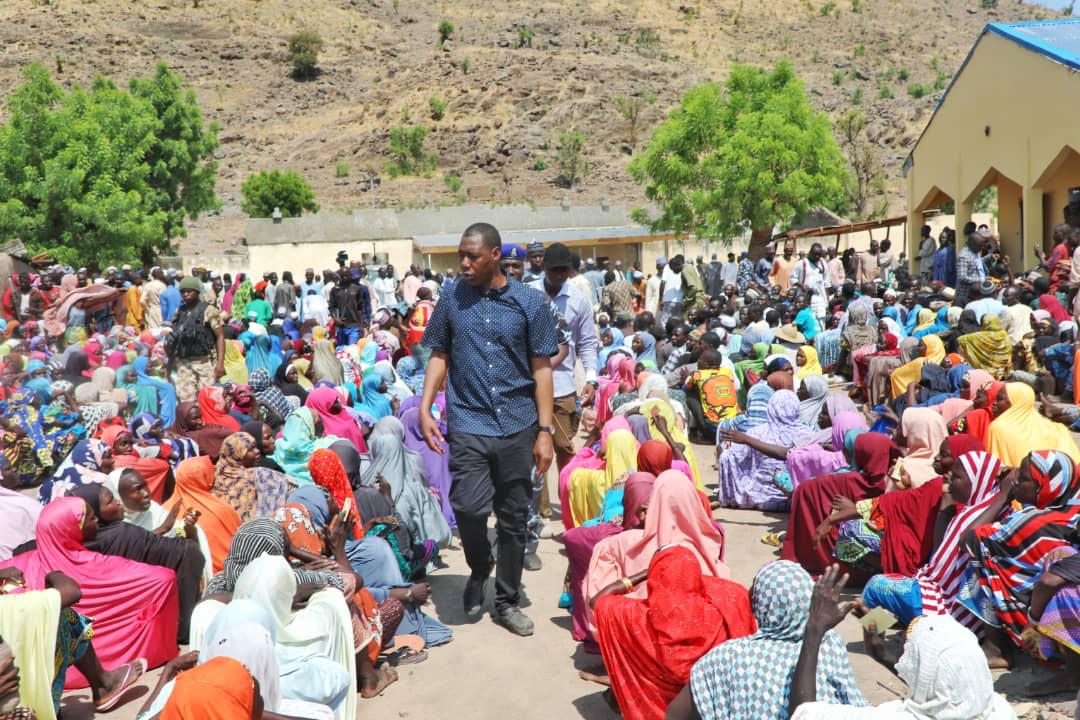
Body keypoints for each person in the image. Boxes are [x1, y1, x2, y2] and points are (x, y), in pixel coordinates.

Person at [418, 222, 559, 636]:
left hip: (518, 423)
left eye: (472, 256)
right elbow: (439, 354)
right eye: (461, 255)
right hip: (469, 420)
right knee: (468, 508)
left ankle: (507, 599)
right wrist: (426, 407)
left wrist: (545, 431)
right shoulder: (451, 299)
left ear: (495, 255)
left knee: (514, 519)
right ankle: (480, 567)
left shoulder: (530, 304)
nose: (463, 264)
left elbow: (542, 369)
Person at [786, 567, 1016, 720]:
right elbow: (934, 681)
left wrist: (815, 630)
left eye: (907, 650)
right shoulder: (998, 709)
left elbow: (803, 712)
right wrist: (879, 645)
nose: (902, 646)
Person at [1, 497, 179, 689]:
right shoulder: (97, 564)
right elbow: (164, 579)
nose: (97, 521)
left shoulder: (16, 565)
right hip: (58, 665)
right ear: (70, 528)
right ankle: (104, 685)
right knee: (72, 623)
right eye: (91, 518)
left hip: (25, 672)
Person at [668, 560, 866, 720]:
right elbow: (850, 700)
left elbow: (674, 716)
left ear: (757, 605)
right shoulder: (827, 644)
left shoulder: (724, 657)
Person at [591, 546, 755, 720]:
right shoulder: (720, 610)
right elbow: (737, 593)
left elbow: (598, 601)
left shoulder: (638, 617)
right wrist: (689, 572)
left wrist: (646, 573)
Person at [530, 242, 599, 523]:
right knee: (534, 449)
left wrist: (592, 378)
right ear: (544, 267)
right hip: (529, 384)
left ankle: (571, 505)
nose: (559, 275)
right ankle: (542, 511)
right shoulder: (529, 294)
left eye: (564, 271)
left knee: (564, 447)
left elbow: (588, 343)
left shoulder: (578, 300)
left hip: (563, 386)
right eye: (554, 270)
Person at [168, 276, 224, 403]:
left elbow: (220, 336)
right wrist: (170, 363)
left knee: (209, 400)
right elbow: (175, 338)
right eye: (183, 292)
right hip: (184, 363)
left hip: (204, 362)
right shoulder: (180, 311)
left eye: (189, 291)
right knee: (186, 401)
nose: (186, 294)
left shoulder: (208, 310)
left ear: (197, 292)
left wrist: (220, 363)